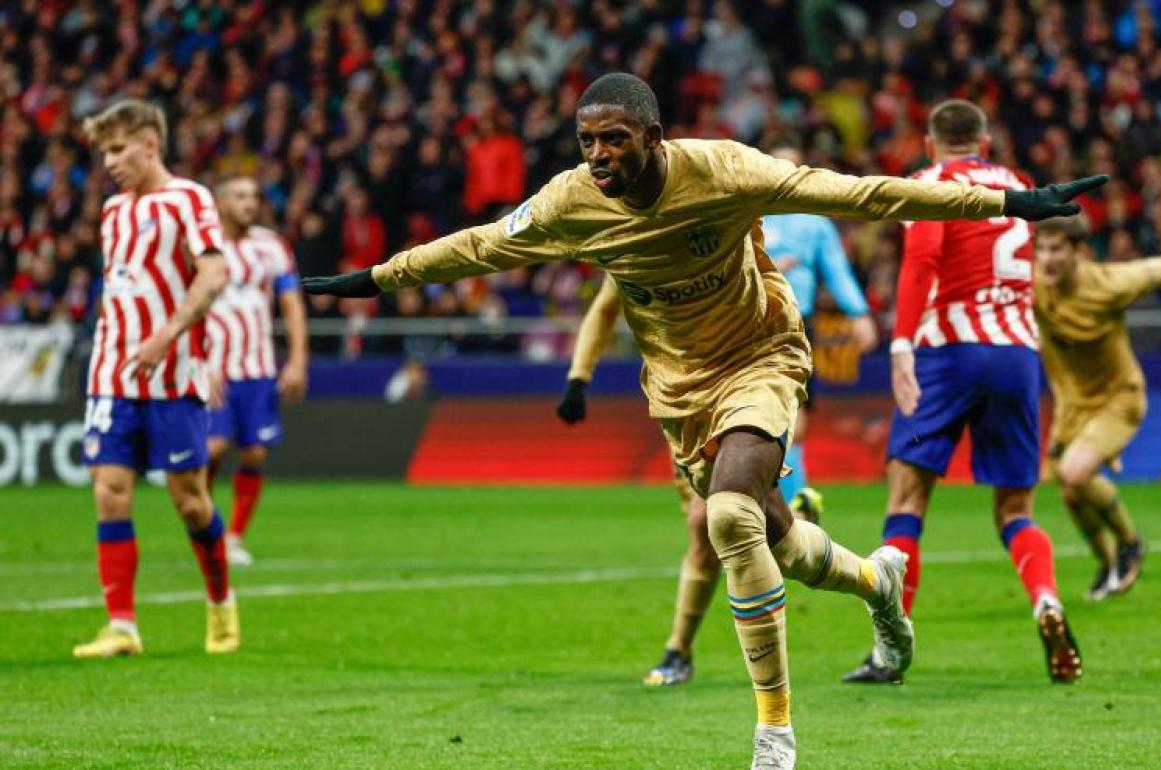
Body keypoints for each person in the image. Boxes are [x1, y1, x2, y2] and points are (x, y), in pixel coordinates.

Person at [305, 74, 1103, 769]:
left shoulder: (722, 170)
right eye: (587, 142)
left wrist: (1005, 203)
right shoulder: (570, 200)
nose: (598, 156)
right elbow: (481, 246)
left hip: (761, 357)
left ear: (654, 137)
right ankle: (876, 582)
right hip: (678, 391)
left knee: (725, 518)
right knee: (780, 542)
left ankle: (775, 735)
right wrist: (378, 278)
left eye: (614, 140)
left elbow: (864, 194)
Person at [842, 99, 1084, 686]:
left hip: (946, 355)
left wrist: (902, 347)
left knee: (908, 498)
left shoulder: (930, 181)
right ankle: (1046, 600)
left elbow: (922, 260)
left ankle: (889, 652)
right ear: (986, 140)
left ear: (930, 143)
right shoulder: (1017, 183)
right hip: (1016, 354)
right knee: (1016, 510)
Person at [554, 276, 820, 690]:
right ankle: (802, 522)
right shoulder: (631, 248)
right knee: (721, 533)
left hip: (742, 390)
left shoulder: (721, 242)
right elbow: (606, 306)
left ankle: (680, 651)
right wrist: (578, 377)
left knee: (706, 520)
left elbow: (773, 299)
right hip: (683, 411)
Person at [74, 100, 239, 658]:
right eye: (104, 153)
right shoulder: (113, 211)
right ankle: (122, 626)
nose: (109, 162)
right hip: (112, 372)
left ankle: (221, 602)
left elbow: (213, 273)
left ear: (150, 144)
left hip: (173, 373)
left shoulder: (188, 199)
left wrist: (169, 336)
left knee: (189, 500)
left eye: (118, 149)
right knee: (109, 489)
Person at [1032, 217, 1161, 598]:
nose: (1046, 259)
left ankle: (1130, 542)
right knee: (1069, 492)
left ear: (1079, 251)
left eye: (1057, 248)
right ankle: (1108, 564)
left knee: (1075, 472)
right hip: (1073, 405)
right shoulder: (1033, 285)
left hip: (1119, 397)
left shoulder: (1108, 284)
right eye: (1041, 249)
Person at [764, 144, 878, 513]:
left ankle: (794, 502)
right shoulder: (747, 217)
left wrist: (859, 314)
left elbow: (837, 271)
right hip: (749, 326)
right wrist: (766, 270)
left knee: (796, 418)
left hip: (797, 327)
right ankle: (781, 502)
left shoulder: (814, 223)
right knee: (760, 418)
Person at [205, 176, 308, 566]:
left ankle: (233, 537)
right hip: (212, 368)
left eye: (253, 196)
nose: (249, 203)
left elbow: (291, 304)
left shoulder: (272, 246)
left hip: (258, 367)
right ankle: (205, 528)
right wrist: (195, 362)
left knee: (254, 453)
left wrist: (297, 360)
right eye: (240, 196)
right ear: (220, 202)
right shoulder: (201, 246)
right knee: (214, 448)